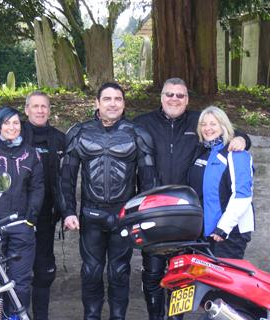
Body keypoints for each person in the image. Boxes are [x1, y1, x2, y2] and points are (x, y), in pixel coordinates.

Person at [133, 77, 251, 320]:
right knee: (153, 273)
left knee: (183, 275)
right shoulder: (142, 124)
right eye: (169, 94)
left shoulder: (199, 121)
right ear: (161, 96)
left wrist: (243, 140)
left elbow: (229, 131)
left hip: (186, 217)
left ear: (187, 99)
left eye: (180, 95)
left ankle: (176, 318)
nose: (174, 99)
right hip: (154, 211)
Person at [60, 82, 158, 320]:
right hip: (90, 216)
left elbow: (148, 183)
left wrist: (143, 217)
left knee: (120, 273)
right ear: (97, 103)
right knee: (91, 273)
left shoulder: (138, 134)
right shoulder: (79, 133)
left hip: (123, 217)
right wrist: (68, 212)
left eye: (118, 99)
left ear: (124, 104)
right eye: (107, 99)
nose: (113, 103)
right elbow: (65, 178)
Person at [0, 91, 65, 320]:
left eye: (44, 106)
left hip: (31, 221)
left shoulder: (45, 146)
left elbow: (45, 184)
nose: (12, 127)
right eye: (7, 123)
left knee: (30, 277)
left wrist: (34, 216)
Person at [0, 106, 44, 312]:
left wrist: (30, 219)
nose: (12, 127)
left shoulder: (31, 154)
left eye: (16, 122)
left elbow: (37, 187)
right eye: (7, 123)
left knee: (21, 281)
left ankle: (16, 316)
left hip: (21, 225)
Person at [188, 106, 254, 258]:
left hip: (228, 234)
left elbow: (242, 195)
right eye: (203, 124)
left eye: (213, 124)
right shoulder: (203, 153)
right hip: (204, 233)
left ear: (223, 126)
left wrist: (223, 228)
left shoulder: (237, 154)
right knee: (203, 281)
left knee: (225, 280)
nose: (207, 128)